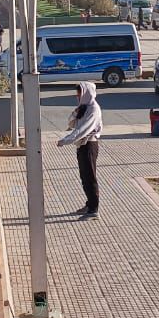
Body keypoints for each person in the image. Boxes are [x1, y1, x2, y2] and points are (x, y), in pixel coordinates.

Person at [57, 82, 103, 219]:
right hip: (81, 146)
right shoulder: (84, 107)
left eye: (80, 94)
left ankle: (94, 209)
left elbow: (83, 130)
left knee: (90, 177)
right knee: (84, 177)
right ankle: (89, 204)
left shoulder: (94, 109)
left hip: (90, 145)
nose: (78, 97)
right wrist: (76, 113)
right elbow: (72, 123)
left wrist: (66, 140)